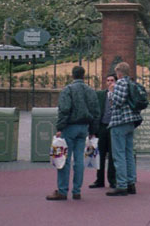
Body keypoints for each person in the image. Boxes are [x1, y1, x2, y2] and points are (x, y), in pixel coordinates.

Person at [46, 66, 100, 201]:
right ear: (84, 76)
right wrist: (93, 131)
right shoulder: (90, 91)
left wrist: (60, 127)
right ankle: (77, 191)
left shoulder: (68, 90)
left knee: (63, 158)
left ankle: (63, 191)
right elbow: (95, 112)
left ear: (72, 75)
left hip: (70, 127)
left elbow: (64, 109)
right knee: (79, 160)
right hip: (84, 127)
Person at [106, 61, 143, 197]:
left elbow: (118, 101)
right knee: (128, 154)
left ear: (119, 73)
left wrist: (111, 93)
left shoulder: (121, 83)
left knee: (119, 154)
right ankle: (131, 183)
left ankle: (121, 185)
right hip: (130, 121)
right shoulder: (131, 82)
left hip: (119, 121)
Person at [89, 73, 117, 189]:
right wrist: (93, 129)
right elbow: (95, 111)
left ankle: (112, 180)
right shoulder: (100, 95)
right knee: (99, 155)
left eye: (112, 80)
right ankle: (99, 180)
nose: (110, 82)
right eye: (108, 80)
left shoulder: (118, 95)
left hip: (113, 127)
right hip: (102, 127)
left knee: (112, 155)